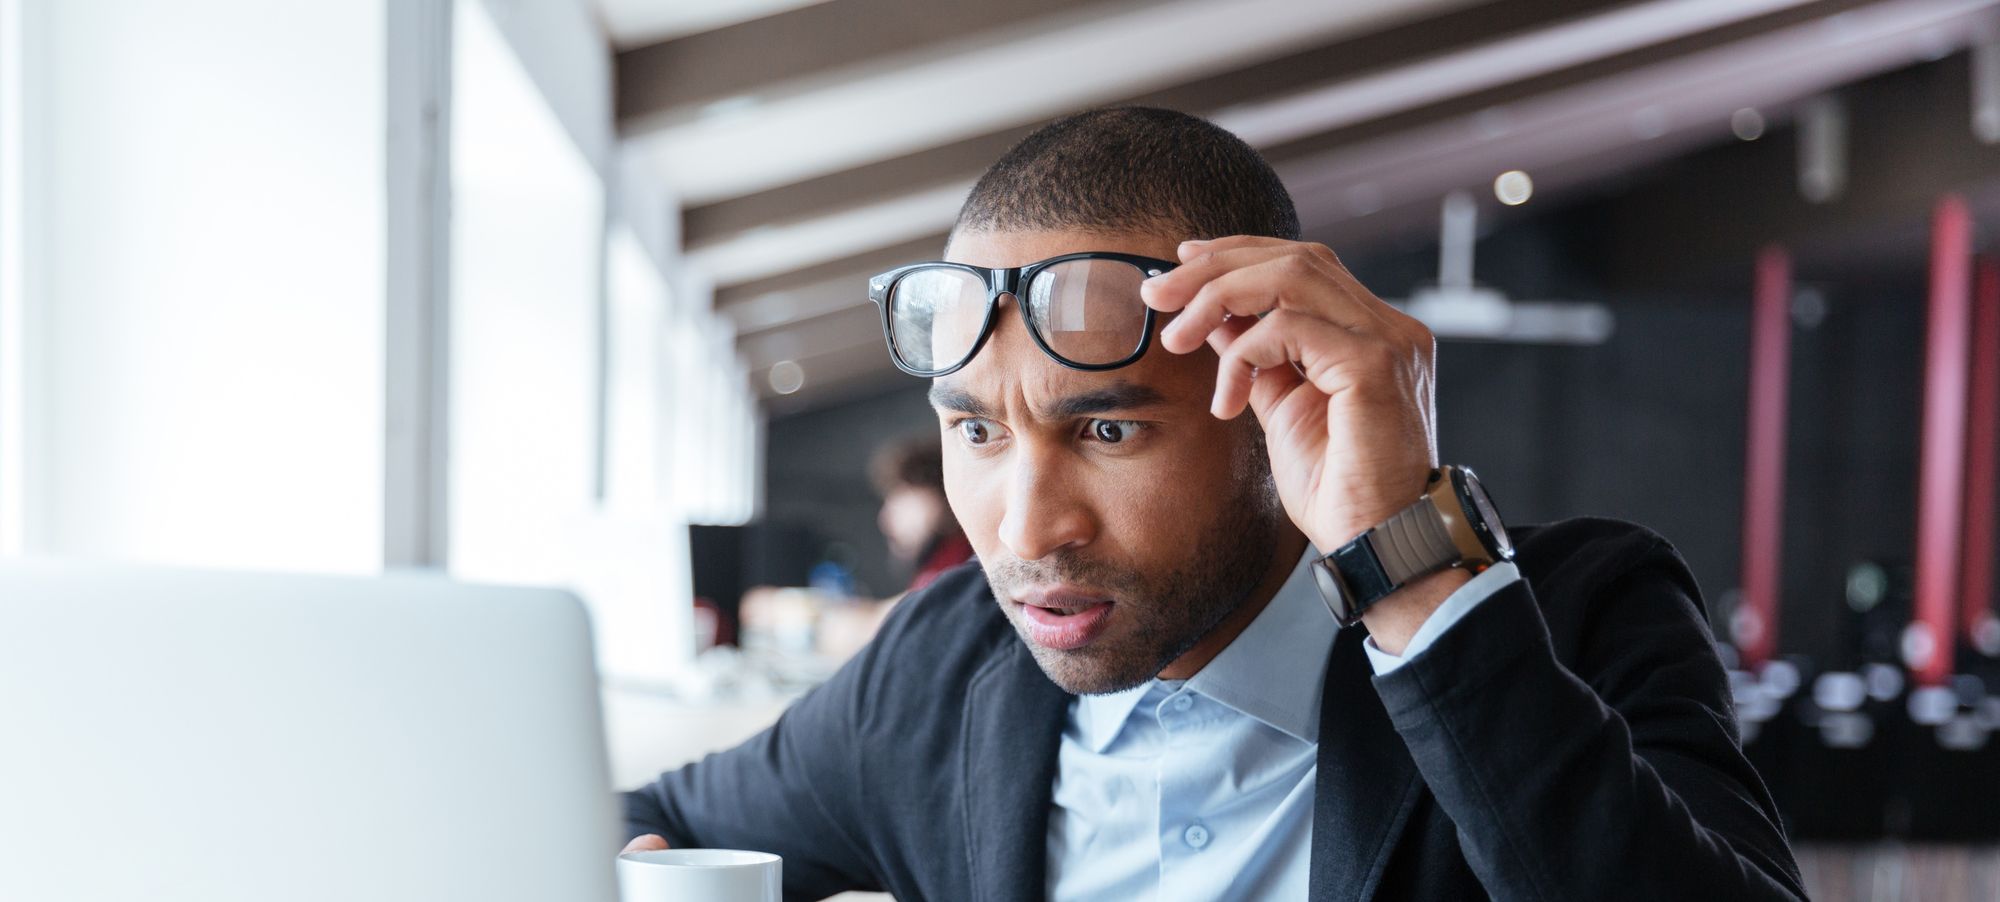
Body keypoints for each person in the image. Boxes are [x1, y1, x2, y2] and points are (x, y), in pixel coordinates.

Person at [623, 107, 1804, 900]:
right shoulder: (942, 671)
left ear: (1272, 392)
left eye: (1107, 428)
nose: (1027, 529)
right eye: (975, 429)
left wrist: (1413, 564)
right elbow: (650, 818)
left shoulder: (1571, 615)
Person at [871, 433, 975, 593]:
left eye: (901, 497)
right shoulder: (938, 566)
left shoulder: (958, 567)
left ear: (936, 499)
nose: (886, 519)